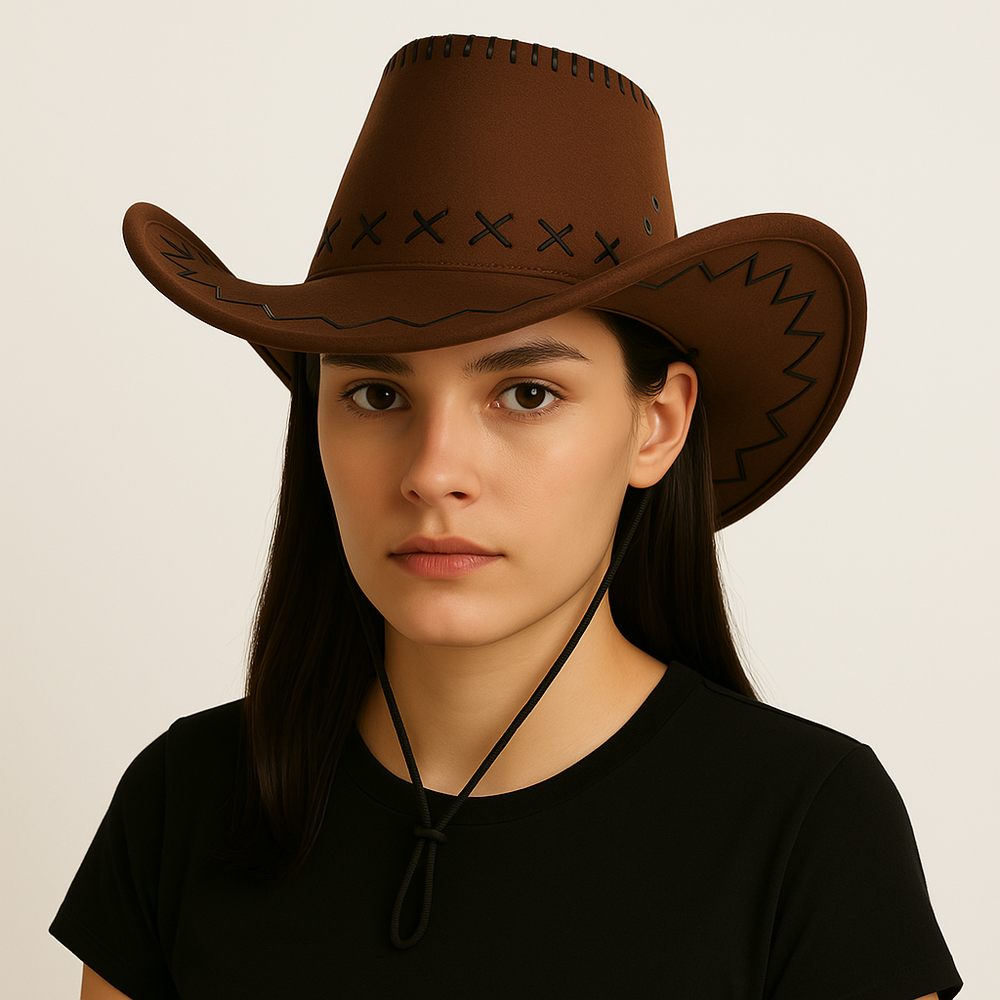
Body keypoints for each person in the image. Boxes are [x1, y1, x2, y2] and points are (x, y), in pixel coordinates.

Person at [51, 33, 962, 1000]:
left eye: (525, 394)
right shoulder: (184, 800)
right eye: (375, 396)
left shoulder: (807, 828)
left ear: (656, 426)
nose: (435, 473)